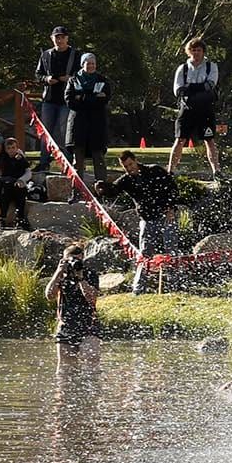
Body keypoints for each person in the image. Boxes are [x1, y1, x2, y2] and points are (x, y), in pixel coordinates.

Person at [101, 151, 181, 293]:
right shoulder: (126, 180)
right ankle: (138, 289)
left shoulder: (155, 170)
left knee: (171, 251)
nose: (129, 168)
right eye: (125, 167)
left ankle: (175, 286)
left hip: (166, 216)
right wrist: (100, 188)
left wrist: (171, 208)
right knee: (144, 254)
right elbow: (113, 191)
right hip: (147, 219)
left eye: (130, 164)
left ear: (136, 160)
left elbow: (173, 189)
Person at [169, 36, 225, 183]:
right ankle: (170, 170)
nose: (196, 53)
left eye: (198, 50)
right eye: (193, 50)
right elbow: (178, 89)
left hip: (205, 109)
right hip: (187, 108)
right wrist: (195, 88)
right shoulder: (183, 68)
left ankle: (216, 171)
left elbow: (210, 84)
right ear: (188, 51)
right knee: (179, 140)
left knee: (209, 140)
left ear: (203, 51)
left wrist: (191, 88)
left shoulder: (211, 66)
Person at [45, 242, 101, 363]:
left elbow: (91, 299)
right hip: (66, 324)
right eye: (69, 259)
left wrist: (80, 277)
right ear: (64, 259)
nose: (73, 262)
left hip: (89, 324)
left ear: (82, 258)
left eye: (77, 259)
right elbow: (49, 295)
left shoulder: (90, 274)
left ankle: (91, 382)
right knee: (65, 368)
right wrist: (57, 273)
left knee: (91, 362)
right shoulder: (61, 275)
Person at [63, 52, 111, 181]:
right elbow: (70, 101)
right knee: (77, 161)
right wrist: (94, 97)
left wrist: (82, 97)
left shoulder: (102, 80)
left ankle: (102, 190)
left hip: (97, 126)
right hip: (78, 126)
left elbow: (105, 99)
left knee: (99, 159)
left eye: (93, 63)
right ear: (82, 64)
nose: (91, 66)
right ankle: (77, 191)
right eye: (88, 63)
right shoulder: (73, 80)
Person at [34, 26, 77, 151]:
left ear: (67, 38)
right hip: (49, 98)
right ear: (52, 39)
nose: (60, 40)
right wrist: (47, 79)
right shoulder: (46, 55)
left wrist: (70, 78)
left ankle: (67, 162)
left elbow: (81, 74)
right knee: (45, 131)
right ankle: (44, 162)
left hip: (67, 99)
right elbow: (38, 74)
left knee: (65, 130)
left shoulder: (75, 55)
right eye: (57, 37)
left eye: (62, 37)